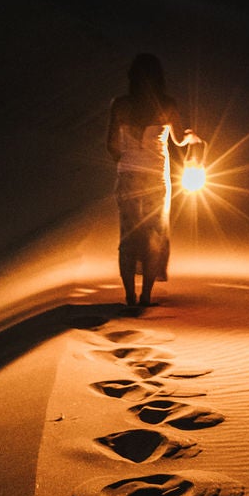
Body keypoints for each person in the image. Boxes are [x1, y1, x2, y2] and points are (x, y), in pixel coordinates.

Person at [106, 53, 190, 308]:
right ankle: (145, 298)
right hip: (156, 179)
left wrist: (129, 156)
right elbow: (178, 140)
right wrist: (191, 137)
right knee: (154, 235)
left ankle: (129, 297)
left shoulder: (120, 105)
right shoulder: (167, 105)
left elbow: (111, 146)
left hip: (128, 177)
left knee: (128, 236)